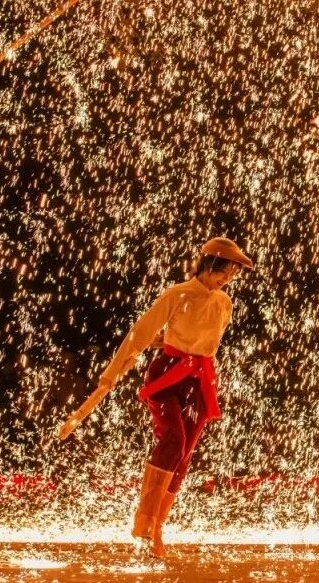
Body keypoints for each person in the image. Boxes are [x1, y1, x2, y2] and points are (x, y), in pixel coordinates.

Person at [60, 237, 253, 557]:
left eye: (233, 274)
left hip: (199, 379)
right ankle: (144, 521)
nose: (229, 279)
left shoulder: (224, 303)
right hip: (168, 375)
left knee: (185, 454)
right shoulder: (175, 294)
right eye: (226, 272)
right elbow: (140, 332)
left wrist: (168, 340)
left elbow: (201, 338)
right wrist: (112, 374)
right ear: (209, 265)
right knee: (173, 441)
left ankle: (158, 526)